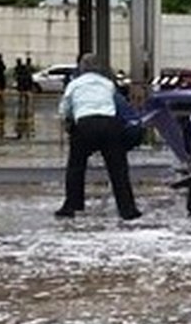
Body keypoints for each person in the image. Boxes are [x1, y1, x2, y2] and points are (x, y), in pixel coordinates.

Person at [55, 53, 140, 221]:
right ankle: (127, 209)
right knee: (118, 169)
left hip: (85, 125)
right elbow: (117, 105)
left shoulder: (74, 84)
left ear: (82, 67)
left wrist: (70, 120)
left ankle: (72, 205)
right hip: (109, 125)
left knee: (76, 167)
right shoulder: (108, 84)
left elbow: (64, 109)